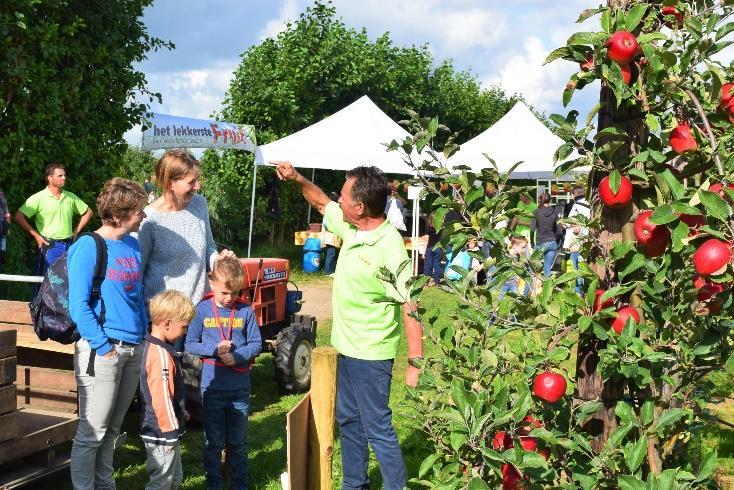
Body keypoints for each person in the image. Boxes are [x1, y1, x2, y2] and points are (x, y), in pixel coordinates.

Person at [275, 161, 423, 490]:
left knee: (376, 426)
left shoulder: (389, 247)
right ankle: (354, 485)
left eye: (343, 196)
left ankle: (395, 487)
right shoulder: (351, 228)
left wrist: (415, 362)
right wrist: (297, 177)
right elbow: (319, 202)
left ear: (360, 206)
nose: (337, 200)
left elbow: (411, 306)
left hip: (371, 353)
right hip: (345, 347)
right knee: (349, 421)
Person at [67, 178, 148, 489]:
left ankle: (106, 484)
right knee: (92, 432)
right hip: (102, 350)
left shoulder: (133, 244)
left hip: (133, 348)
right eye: (138, 210)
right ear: (117, 215)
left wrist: (142, 336)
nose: (143, 215)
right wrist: (104, 347)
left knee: (112, 430)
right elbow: (78, 306)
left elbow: (136, 296)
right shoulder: (88, 246)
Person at [138, 149, 235, 348]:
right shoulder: (149, 220)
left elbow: (208, 245)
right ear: (170, 183)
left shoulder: (199, 204)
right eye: (191, 182)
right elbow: (138, 271)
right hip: (168, 320)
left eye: (198, 180)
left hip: (201, 312)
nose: (197, 187)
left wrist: (218, 260)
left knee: (202, 376)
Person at [184, 256, 262, 490]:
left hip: (239, 388)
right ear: (211, 283)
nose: (229, 299)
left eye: (235, 293)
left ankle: (240, 485)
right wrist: (214, 350)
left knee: (238, 443)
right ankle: (214, 485)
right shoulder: (202, 310)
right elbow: (190, 343)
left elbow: (256, 343)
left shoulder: (245, 311)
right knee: (213, 443)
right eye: (224, 293)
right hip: (213, 387)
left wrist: (237, 356)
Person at [140, 290, 196, 490]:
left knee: (175, 478)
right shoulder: (160, 356)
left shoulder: (160, 349)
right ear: (167, 324)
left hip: (166, 430)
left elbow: (170, 393)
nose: (185, 332)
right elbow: (161, 398)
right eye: (184, 326)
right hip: (162, 433)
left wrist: (181, 412)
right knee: (161, 483)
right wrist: (170, 432)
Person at [14, 163, 93, 276]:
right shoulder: (39, 197)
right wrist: (36, 236)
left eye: (64, 175)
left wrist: (76, 231)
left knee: (65, 281)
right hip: (49, 245)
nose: (64, 178)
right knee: (43, 281)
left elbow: (88, 212)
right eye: (60, 176)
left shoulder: (70, 196)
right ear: (49, 178)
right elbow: (18, 216)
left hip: (68, 245)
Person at [563, 185, 591, 294]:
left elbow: (573, 223)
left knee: (579, 273)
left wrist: (567, 225)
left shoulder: (577, 205)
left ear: (573, 194)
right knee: (584, 270)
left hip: (577, 243)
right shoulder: (588, 204)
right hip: (586, 242)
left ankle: (580, 296)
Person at [531, 193, 559, 278]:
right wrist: (556, 241)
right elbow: (559, 230)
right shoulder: (554, 212)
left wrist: (532, 242)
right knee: (547, 270)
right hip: (552, 242)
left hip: (541, 242)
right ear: (550, 200)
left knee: (532, 269)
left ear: (539, 200)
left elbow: (532, 229)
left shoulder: (536, 212)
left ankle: (528, 291)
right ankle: (547, 290)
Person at [423, 213, 442, 286]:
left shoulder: (428, 227)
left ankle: (425, 282)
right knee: (437, 265)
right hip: (438, 248)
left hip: (429, 247)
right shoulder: (440, 227)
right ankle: (437, 282)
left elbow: (426, 239)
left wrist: (423, 251)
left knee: (428, 265)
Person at [0, 189, 9, 270]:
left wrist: (8, 227)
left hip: (2, 223)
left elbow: (7, 213)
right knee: (2, 244)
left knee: (2, 244)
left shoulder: (1, 196)